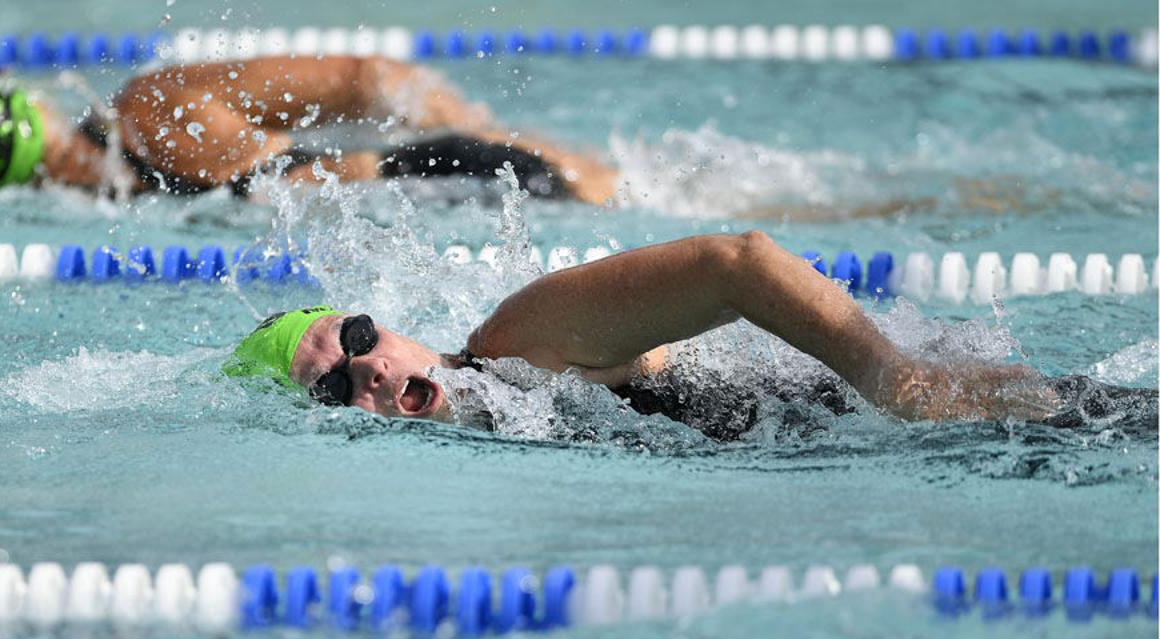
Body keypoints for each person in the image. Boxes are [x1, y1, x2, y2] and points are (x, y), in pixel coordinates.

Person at [226, 231, 1156, 442]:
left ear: (390, 326)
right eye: (333, 387)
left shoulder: (517, 344)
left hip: (926, 419)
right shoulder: (496, 433)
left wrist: (896, 379)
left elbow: (736, 263)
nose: (368, 371)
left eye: (357, 337)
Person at [0, 55, 618, 202]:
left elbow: (369, 77)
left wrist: (488, 133)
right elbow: (365, 76)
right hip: (445, 183)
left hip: (452, 174)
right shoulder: (145, 124)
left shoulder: (152, 113)